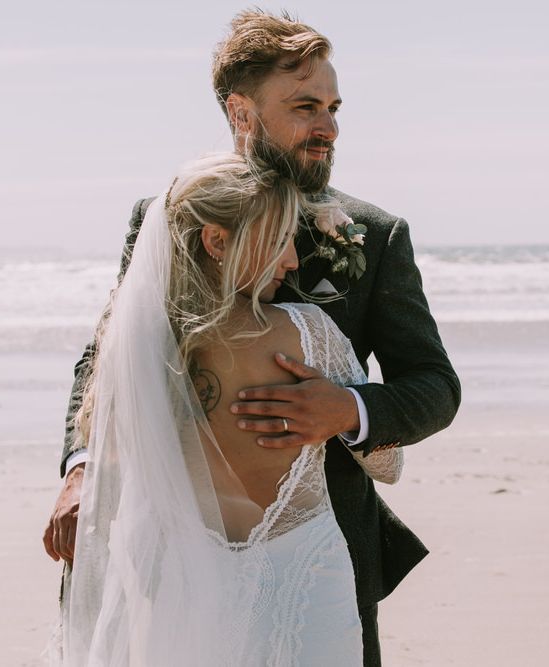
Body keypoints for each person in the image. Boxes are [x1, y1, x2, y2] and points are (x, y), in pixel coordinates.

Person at [43, 10, 460, 666]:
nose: (326, 125)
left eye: (331, 106)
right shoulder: (165, 217)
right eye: (303, 106)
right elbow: (109, 353)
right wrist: (82, 469)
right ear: (240, 112)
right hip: (174, 552)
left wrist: (349, 410)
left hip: (320, 556)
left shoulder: (372, 234)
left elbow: (433, 386)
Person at [48, 152, 404, 666]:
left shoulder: (137, 357)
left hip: (184, 590)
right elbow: (388, 465)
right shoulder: (309, 335)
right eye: (280, 239)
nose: (293, 261)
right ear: (217, 241)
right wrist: (344, 413)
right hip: (308, 586)